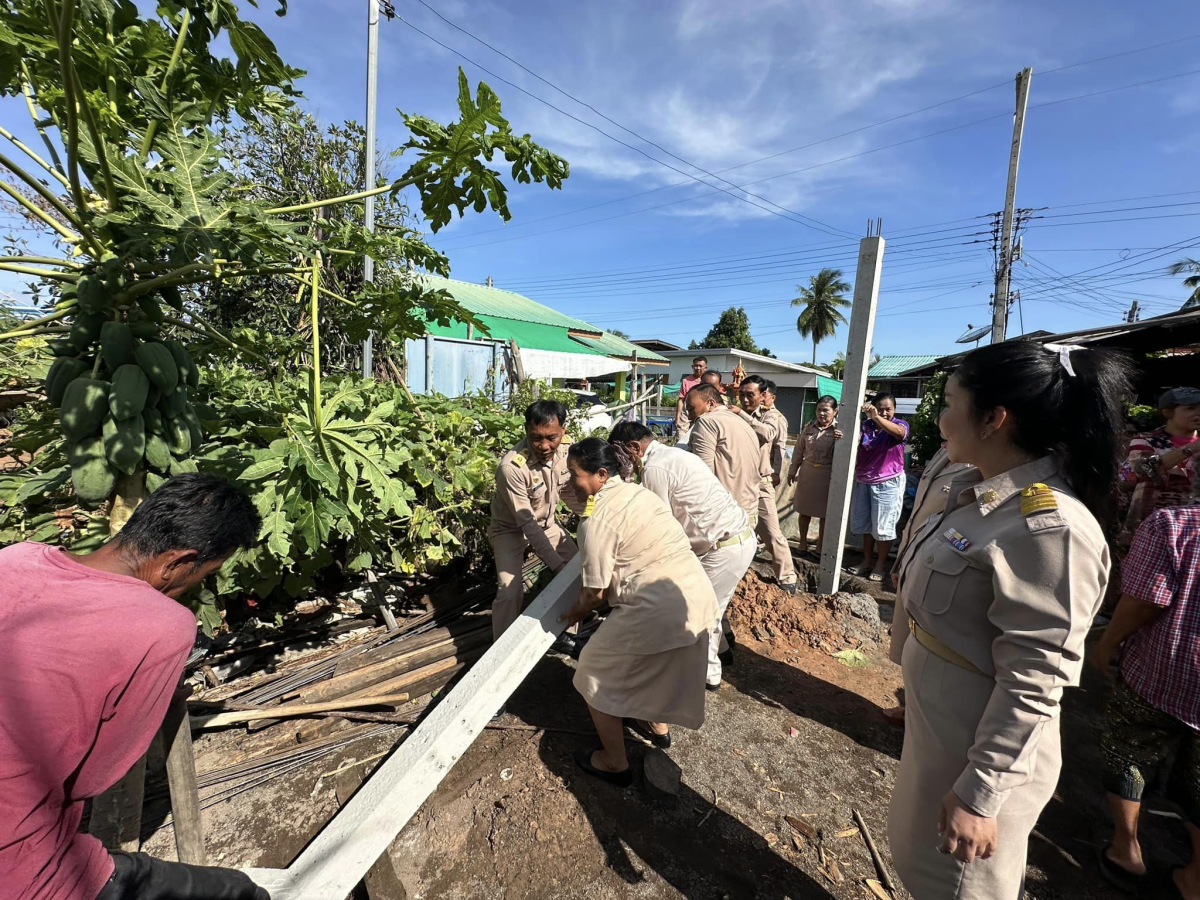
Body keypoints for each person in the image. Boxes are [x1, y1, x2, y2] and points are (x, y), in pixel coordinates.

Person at [888, 341, 1132, 900]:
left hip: (975, 745)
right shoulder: (976, 494)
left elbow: (1035, 680)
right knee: (920, 862)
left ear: (994, 418)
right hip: (942, 728)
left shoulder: (1051, 529)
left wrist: (981, 794)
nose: (938, 417)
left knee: (959, 885)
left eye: (948, 402)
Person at [0, 474, 269, 900]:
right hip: (26, 873)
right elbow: (96, 777)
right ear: (178, 562)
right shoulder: (163, 625)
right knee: (238, 892)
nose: (195, 585)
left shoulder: (14, 558)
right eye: (205, 573)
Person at [558, 439, 718, 785]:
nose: (572, 483)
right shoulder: (640, 494)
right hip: (693, 593)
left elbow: (595, 592)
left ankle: (614, 761)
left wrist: (570, 615)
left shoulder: (597, 519)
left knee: (591, 671)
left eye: (575, 475)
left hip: (655, 608)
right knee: (658, 665)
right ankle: (656, 725)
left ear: (601, 475)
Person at [1091, 475, 1200, 897]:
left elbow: (1144, 599)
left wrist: (1108, 642)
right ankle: (1194, 879)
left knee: (1128, 749)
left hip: (1162, 672)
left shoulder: (1174, 525)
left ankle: (1127, 850)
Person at [610, 421, 756, 691]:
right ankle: (723, 650)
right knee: (713, 603)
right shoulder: (675, 454)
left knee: (700, 608)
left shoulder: (654, 469)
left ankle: (708, 674)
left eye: (620, 454)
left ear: (634, 448)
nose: (619, 461)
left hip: (724, 548)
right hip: (734, 538)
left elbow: (660, 524)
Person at [883, 442, 975, 725]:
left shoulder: (981, 466)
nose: (943, 418)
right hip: (916, 552)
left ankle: (921, 716)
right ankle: (912, 707)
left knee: (931, 646)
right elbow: (920, 516)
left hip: (941, 567)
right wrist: (902, 561)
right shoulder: (944, 453)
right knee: (910, 639)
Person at [488, 400, 587, 641]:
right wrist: (557, 565)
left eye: (551, 437)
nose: (543, 446)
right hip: (510, 530)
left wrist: (590, 515)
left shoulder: (567, 450)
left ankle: (567, 633)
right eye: (536, 438)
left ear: (563, 430)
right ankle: (500, 649)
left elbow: (566, 491)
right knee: (509, 590)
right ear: (526, 430)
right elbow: (527, 524)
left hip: (547, 524)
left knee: (579, 571)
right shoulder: (511, 467)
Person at [732, 375, 798, 593]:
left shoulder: (771, 417)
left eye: (750, 395)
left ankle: (787, 576)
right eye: (742, 395)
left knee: (770, 531)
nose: (745, 399)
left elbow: (770, 435)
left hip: (760, 483)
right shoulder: (736, 415)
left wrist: (741, 414)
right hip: (736, 481)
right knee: (737, 529)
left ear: (763, 396)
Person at [1117, 386, 1199, 551]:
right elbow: (1129, 476)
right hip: (1153, 533)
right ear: (1168, 413)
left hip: (1194, 535)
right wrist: (1191, 448)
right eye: (1190, 408)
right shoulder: (1144, 441)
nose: (1198, 412)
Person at [846, 392, 909, 582]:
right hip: (864, 481)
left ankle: (880, 565)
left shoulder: (900, 425)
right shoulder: (865, 427)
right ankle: (866, 561)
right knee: (866, 525)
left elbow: (899, 434)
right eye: (879, 409)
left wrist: (876, 418)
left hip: (888, 483)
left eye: (888, 409)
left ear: (894, 410)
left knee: (884, 528)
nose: (884, 412)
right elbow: (852, 442)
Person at [684, 382, 762, 522]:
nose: (690, 416)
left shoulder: (706, 422)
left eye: (691, 409)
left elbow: (702, 474)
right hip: (749, 509)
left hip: (723, 515)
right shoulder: (742, 422)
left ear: (710, 403)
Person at [787, 395, 842, 558]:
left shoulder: (839, 430)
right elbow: (798, 450)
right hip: (808, 473)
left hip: (827, 475)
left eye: (826, 410)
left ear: (835, 411)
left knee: (825, 513)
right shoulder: (808, 428)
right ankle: (802, 542)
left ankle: (820, 546)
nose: (822, 414)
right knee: (804, 510)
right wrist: (792, 470)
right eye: (819, 410)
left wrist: (843, 438)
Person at [761, 380, 790, 488]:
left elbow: (780, 446)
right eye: (759, 394)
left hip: (767, 469)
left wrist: (776, 472)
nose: (761, 398)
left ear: (773, 398)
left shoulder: (778, 418)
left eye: (764, 395)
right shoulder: (756, 415)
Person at [673, 356, 708, 441]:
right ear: (692, 367)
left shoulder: (708, 380)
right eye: (696, 366)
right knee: (681, 437)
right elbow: (681, 400)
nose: (698, 368)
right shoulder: (686, 381)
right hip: (687, 412)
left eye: (700, 366)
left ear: (705, 368)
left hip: (704, 412)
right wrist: (678, 417)